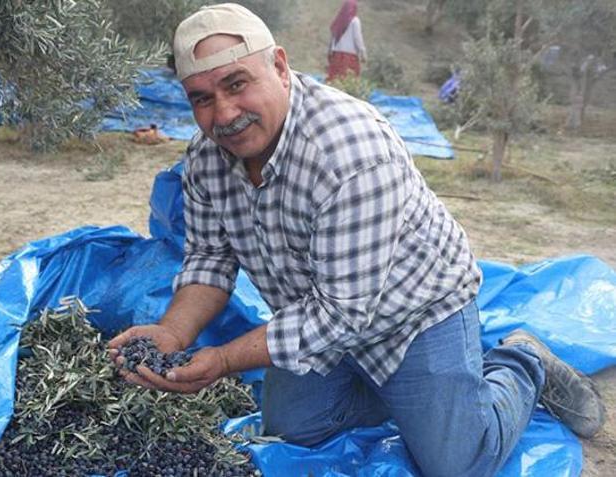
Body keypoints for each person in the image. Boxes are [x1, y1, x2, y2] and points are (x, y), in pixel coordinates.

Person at [108, 4, 606, 476]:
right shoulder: (206, 159)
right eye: (202, 99)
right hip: (315, 311)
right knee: (294, 436)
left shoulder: (351, 153)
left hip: (414, 314)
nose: (224, 114)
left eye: (237, 84)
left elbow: (341, 313)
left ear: (280, 67)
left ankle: (521, 361)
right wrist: (172, 333)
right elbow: (210, 258)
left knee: (457, 463)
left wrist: (221, 360)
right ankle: (417, 398)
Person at [326, 0, 366, 82]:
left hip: (336, 55)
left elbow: (333, 38)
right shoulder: (355, 21)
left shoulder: (338, 21)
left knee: (335, 80)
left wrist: (330, 52)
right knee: (348, 80)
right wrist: (363, 53)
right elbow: (357, 39)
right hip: (350, 56)